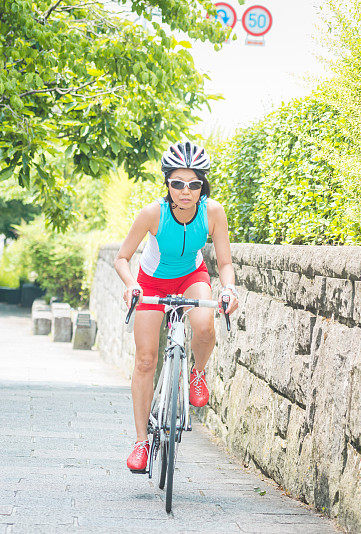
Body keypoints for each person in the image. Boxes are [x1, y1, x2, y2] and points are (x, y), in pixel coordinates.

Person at [114, 141, 240, 473]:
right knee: (145, 360)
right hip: (152, 282)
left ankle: (196, 373)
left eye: (194, 184)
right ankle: (142, 441)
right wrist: (132, 285)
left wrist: (228, 288)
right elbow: (122, 258)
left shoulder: (213, 213)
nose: (186, 191)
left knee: (204, 326)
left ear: (203, 185)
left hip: (191, 276)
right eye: (178, 183)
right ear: (167, 183)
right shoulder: (152, 213)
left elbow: (224, 262)